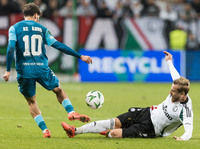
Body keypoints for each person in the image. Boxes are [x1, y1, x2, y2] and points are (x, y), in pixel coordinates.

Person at [3, 3, 93, 138]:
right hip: (41, 67)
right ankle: (71, 112)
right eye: (38, 16)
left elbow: (10, 49)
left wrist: (8, 70)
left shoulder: (14, 28)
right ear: (35, 15)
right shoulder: (42, 29)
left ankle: (45, 130)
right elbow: (58, 45)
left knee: (31, 101)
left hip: (24, 71)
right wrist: (80, 56)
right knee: (58, 89)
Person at [61, 51, 193, 141]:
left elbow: (189, 129)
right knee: (114, 122)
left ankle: (106, 131)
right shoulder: (177, 87)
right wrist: (169, 61)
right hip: (147, 112)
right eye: (171, 89)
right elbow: (175, 76)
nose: (170, 92)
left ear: (182, 94)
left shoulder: (185, 110)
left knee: (114, 133)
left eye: (173, 91)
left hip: (151, 129)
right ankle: (75, 131)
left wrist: (183, 138)